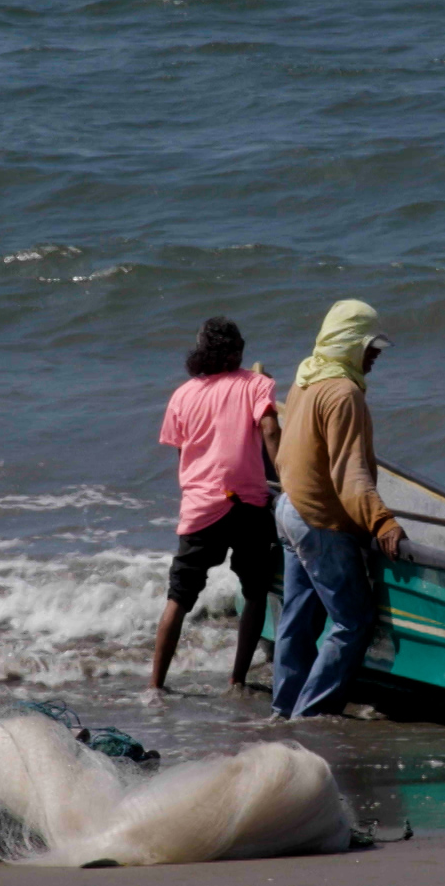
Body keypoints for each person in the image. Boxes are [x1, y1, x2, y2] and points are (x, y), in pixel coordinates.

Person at [271, 300, 405, 718]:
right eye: (370, 346)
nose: (376, 355)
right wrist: (382, 521)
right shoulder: (344, 394)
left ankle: (283, 709)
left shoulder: (307, 378)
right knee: (353, 622)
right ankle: (309, 717)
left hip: (289, 509)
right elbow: (349, 473)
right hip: (318, 522)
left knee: (298, 619)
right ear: (350, 343)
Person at [152, 317, 282, 703]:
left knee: (178, 597)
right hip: (248, 503)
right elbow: (270, 430)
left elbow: (183, 453)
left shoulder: (182, 395)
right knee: (255, 591)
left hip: (201, 507)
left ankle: (155, 686)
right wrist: (289, 478)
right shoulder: (256, 384)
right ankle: (237, 680)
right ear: (237, 351)